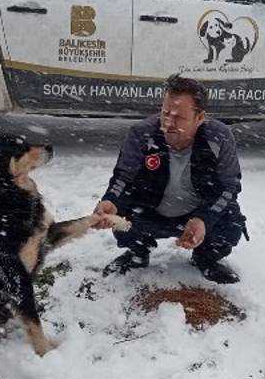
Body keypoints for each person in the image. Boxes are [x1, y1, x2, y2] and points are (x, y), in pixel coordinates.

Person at [93, 75, 247, 284]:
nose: (168, 123)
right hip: (151, 212)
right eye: (165, 113)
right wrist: (110, 200)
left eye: (179, 117)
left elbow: (229, 186)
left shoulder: (219, 137)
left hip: (197, 214)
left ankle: (205, 257)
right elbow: (124, 178)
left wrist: (203, 219)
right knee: (124, 211)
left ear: (199, 117)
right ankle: (138, 253)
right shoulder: (141, 134)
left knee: (230, 220)